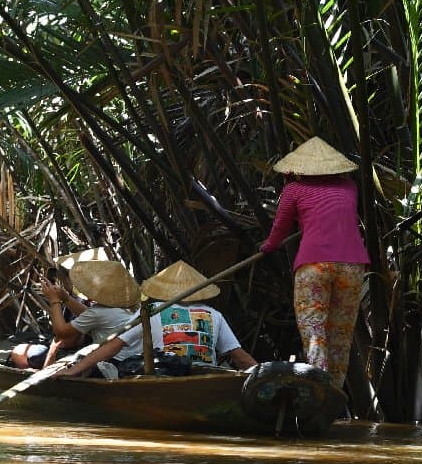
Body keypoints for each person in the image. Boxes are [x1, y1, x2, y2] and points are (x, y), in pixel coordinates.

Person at [260, 136, 369, 380]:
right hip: (352, 266)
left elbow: (280, 230)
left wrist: (267, 248)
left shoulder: (293, 189)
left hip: (314, 265)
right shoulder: (349, 187)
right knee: (341, 335)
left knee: (314, 331)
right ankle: (334, 390)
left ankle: (320, 386)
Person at [59, 260, 257, 378]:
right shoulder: (214, 314)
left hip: (167, 374)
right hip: (205, 375)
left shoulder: (152, 310)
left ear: (165, 290)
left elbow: (113, 346)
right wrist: (262, 374)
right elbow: (240, 358)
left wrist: (74, 370)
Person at [11, 258, 139, 369]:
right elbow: (89, 314)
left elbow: (61, 332)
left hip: (110, 362)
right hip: (131, 359)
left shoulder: (99, 312)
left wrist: (54, 300)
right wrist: (65, 298)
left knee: (19, 352)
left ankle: (35, 374)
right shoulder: (131, 306)